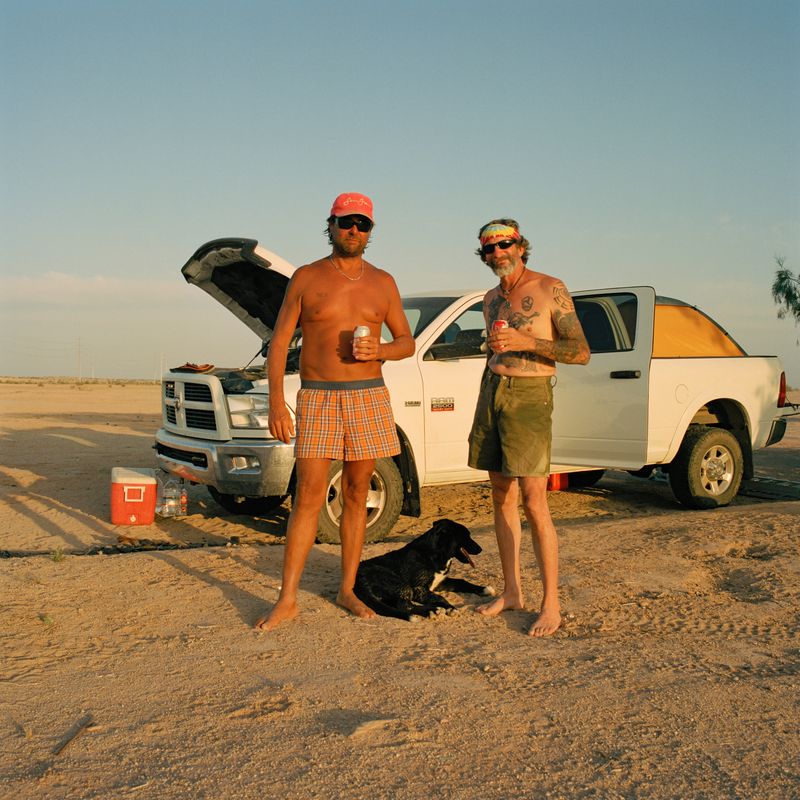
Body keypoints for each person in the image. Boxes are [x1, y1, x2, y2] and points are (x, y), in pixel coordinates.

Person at [254, 193, 415, 631]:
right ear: (330, 225)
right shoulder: (307, 277)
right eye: (346, 223)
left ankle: (347, 589)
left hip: (368, 395)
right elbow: (281, 342)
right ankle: (287, 598)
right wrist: (275, 402)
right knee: (307, 495)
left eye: (362, 224)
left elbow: (407, 342)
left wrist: (380, 349)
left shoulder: (383, 282)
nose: (354, 231)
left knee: (357, 493)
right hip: (319, 396)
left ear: (370, 231)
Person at [467, 218, 590, 637]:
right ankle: (512, 591)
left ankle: (550, 603)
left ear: (521, 246)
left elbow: (580, 352)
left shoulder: (549, 287)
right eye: (489, 248)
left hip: (530, 398)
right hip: (492, 391)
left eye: (505, 245)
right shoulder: (488, 299)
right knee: (500, 492)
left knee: (535, 500)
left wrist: (527, 343)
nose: (497, 253)